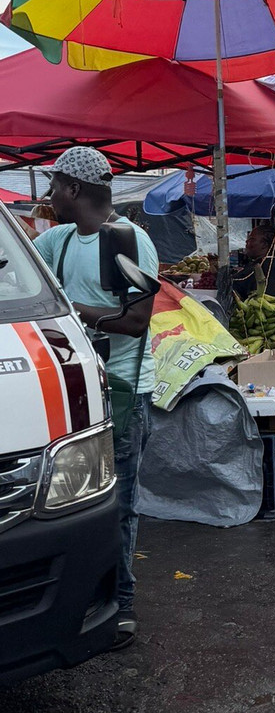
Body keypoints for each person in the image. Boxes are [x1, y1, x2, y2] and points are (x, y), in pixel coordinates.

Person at [33, 146, 158, 649]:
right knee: (76, 504)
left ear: (75, 189)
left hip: (124, 394)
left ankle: (120, 604)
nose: (49, 195)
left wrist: (70, 309)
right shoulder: (59, 241)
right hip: (75, 394)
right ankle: (78, 596)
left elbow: (136, 320)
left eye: (55, 185)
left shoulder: (127, 241)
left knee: (121, 506)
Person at [233, 225, 275, 300]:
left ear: (264, 244)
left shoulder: (270, 267)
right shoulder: (258, 264)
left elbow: (269, 298)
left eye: (251, 239)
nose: (246, 241)